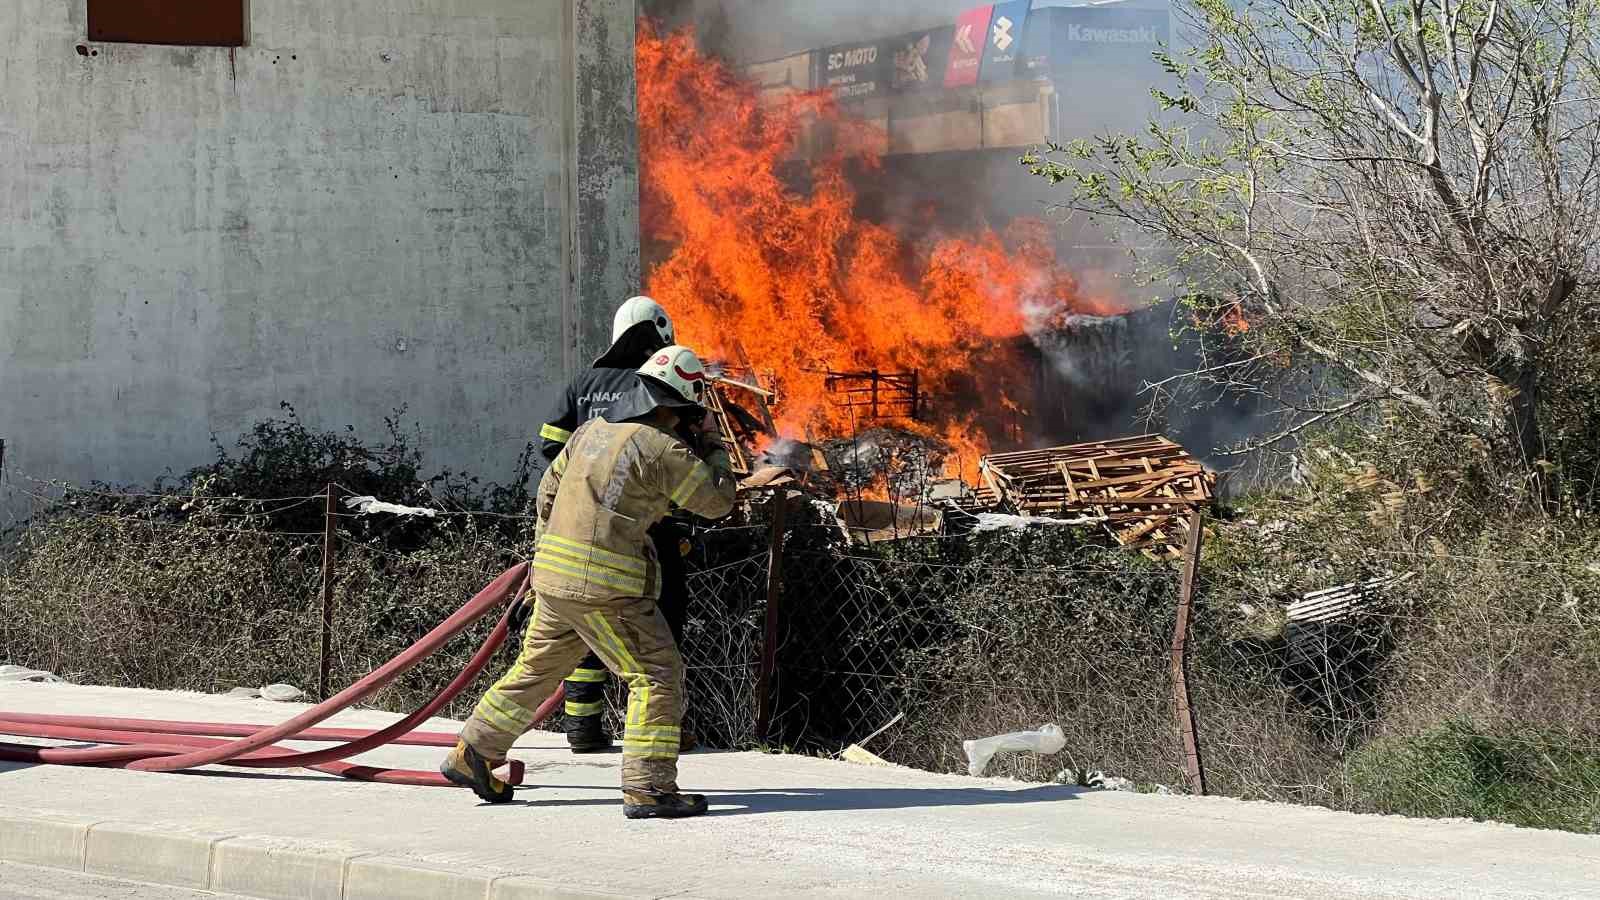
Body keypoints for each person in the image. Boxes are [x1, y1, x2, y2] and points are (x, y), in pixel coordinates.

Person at [442, 346, 737, 819]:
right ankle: (649, 788)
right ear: (679, 407)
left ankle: (473, 751)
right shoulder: (663, 449)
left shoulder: (590, 432)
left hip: (554, 577)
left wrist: (543, 561)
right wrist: (713, 444)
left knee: (538, 668)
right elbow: (717, 501)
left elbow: (546, 494)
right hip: (607, 588)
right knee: (656, 674)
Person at [536, 296, 697, 753]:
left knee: (583, 629)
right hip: (647, 531)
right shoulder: (653, 387)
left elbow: (550, 445)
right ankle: (663, 730)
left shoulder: (583, 383)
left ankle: (582, 726)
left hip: (580, 527)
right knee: (657, 632)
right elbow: (677, 460)